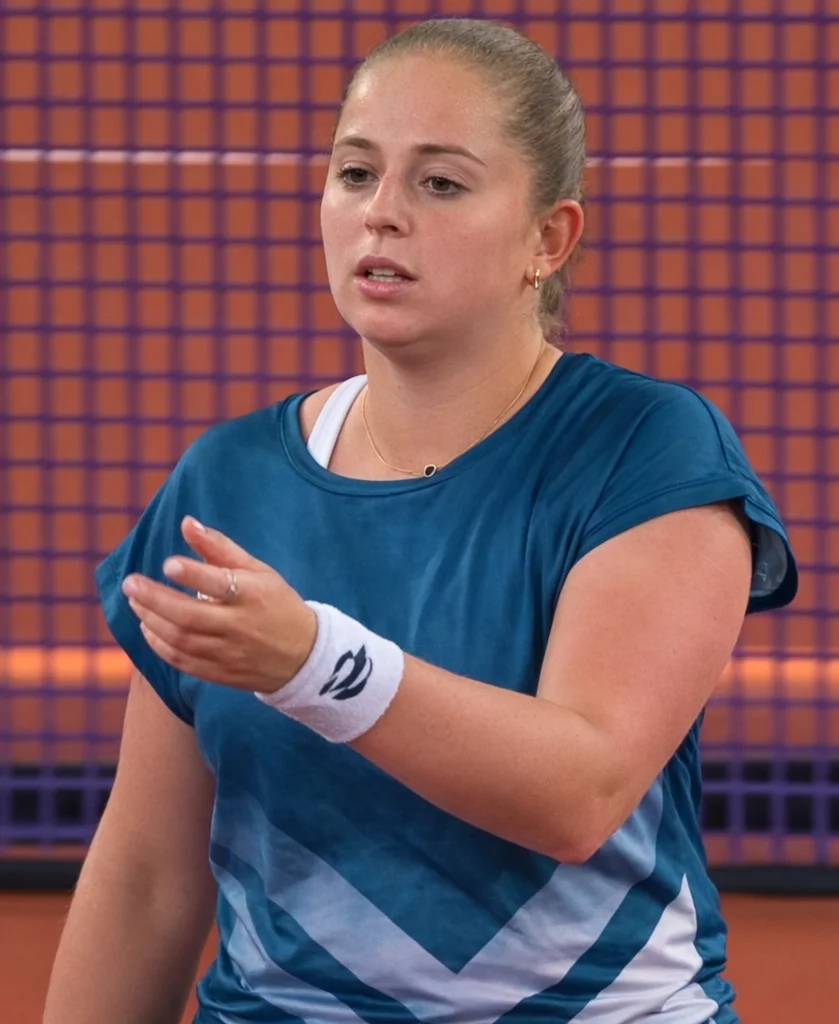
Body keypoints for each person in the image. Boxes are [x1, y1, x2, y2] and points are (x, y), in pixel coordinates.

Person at [44, 18, 797, 1024]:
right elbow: (145, 876)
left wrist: (311, 660)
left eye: (439, 183)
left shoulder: (647, 448)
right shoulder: (225, 482)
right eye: (355, 173)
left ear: (548, 238)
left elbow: (577, 791)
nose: (380, 215)